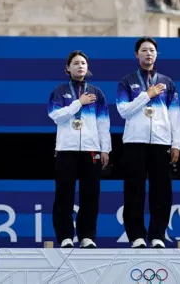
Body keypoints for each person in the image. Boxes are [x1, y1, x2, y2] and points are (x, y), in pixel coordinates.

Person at [116, 36, 180, 248]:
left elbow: (175, 115)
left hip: (161, 143)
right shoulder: (126, 81)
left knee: (161, 191)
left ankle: (157, 236)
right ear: (137, 54)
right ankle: (136, 236)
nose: (148, 53)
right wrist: (147, 95)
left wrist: (176, 143)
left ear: (156, 54)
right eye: (144, 50)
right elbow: (123, 111)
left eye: (152, 50)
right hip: (135, 142)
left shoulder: (167, 83)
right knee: (134, 190)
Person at [47, 50, 111, 249]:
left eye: (83, 63)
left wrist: (105, 149)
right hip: (66, 149)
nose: (80, 66)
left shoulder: (97, 93)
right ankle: (65, 237)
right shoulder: (59, 92)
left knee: (90, 195)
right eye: (75, 63)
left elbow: (103, 124)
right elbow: (56, 116)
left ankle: (87, 236)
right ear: (67, 68)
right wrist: (78, 103)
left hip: (91, 149)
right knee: (64, 195)